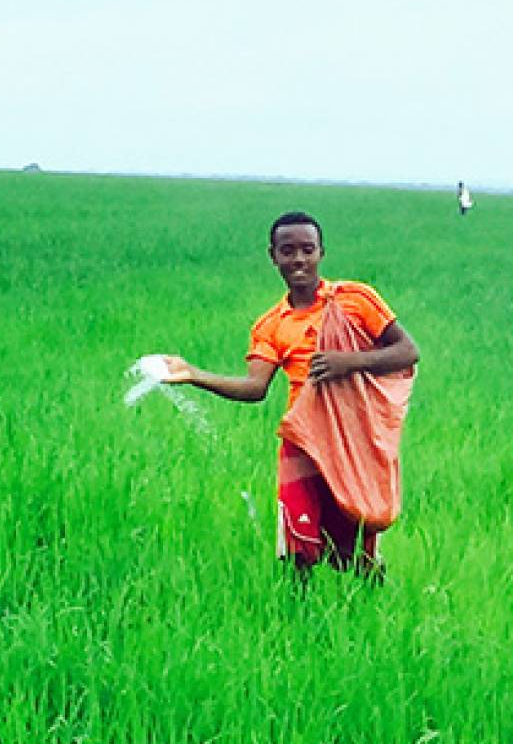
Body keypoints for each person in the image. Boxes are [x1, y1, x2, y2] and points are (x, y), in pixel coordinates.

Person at [161, 212, 420, 572]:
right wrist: (192, 374)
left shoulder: (354, 300)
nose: (298, 260)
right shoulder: (272, 325)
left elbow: (407, 351)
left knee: (355, 546)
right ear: (273, 256)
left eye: (307, 250)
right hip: (302, 440)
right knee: (297, 547)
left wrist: (350, 362)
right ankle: (296, 617)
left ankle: (370, 615)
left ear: (321, 253)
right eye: (288, 251)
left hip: (349, 439)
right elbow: (255, 387)